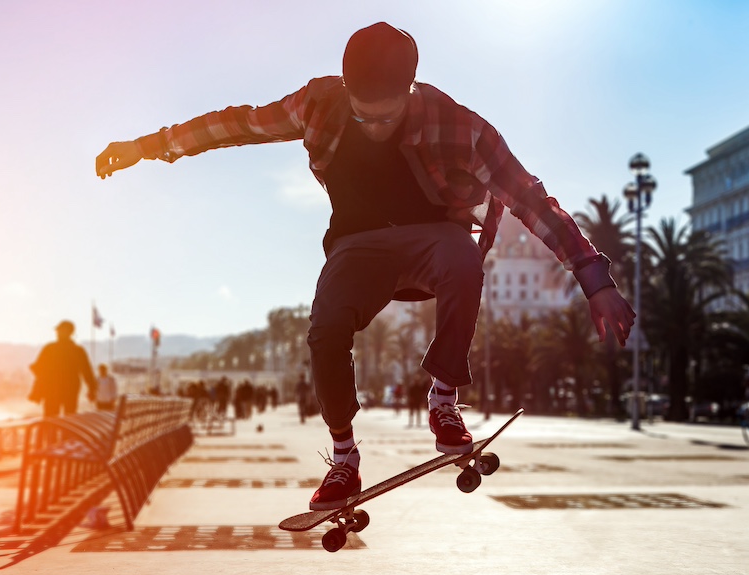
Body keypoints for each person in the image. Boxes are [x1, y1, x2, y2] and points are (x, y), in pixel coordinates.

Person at [96, 22, 635, 511]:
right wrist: (148, 146)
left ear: (410, 91)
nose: (373, 126)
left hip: (435, 240)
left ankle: (444, 399)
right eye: (362, 113)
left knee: (464, 259)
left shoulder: (461, 126)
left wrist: (594, 280)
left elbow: (530, 199)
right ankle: (343, 457)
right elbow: (238, 125)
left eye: (387, 114)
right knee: (325, 327)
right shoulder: (317, 103)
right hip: (358, 247)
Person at [28, 320, 97, 417]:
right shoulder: (77, 350)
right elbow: (87, 371)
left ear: (69, 332)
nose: (57, 333)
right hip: (68, 387)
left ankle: (54, 432)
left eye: (59, 330)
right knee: (68, 418)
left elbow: (37, 368)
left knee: (52, 419)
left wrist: (45, 378)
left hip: (54, 388)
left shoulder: (50, 348)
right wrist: (92, 389)